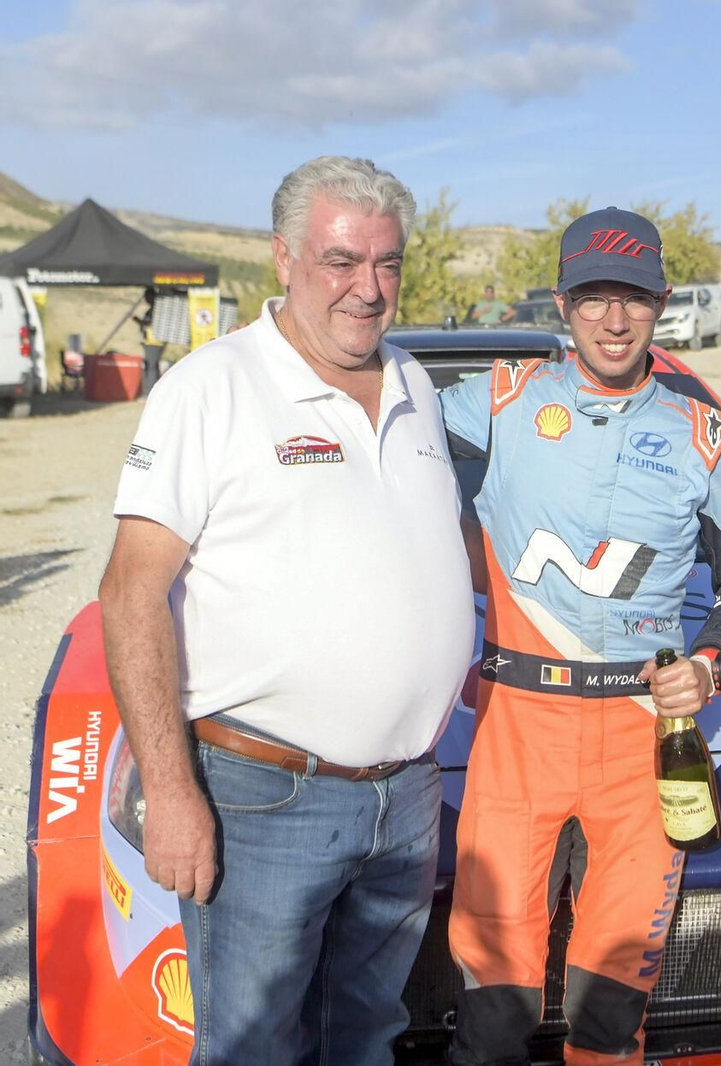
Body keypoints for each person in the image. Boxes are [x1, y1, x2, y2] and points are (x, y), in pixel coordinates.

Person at [98, 156, 475, 1065]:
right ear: (282, 258)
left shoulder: (416, 384)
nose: (368, 288)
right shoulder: (212, 387)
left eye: (387, 264)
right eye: (341, 261)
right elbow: (130, 591)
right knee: (254, 1045)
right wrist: (175, 790)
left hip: (406, 797)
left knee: (370, 1035)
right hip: (265, 800)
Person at [441, 206, 721, 1066]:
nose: (614, 320)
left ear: (661, 302)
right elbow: (374, 436)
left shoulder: (704, 434)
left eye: (632, 299)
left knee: (610, 1013)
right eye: (593, 298)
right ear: (563, 303)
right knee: (491, 1013)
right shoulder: (503, 399)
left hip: (643, 740)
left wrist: (711, 663)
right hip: (520, 726)